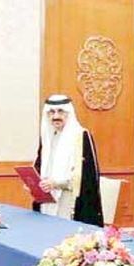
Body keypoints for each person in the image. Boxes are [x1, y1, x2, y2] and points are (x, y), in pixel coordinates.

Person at [33, 94, 103, 226]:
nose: (56, 116)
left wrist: (57, 184)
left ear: (69, 113)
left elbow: (86, 177)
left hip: (69, 200)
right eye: (51, 112)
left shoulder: (81, 136)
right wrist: (32, 182)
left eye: (60, 111)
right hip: (47, 197)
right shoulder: (48, 137)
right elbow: (39, 165)